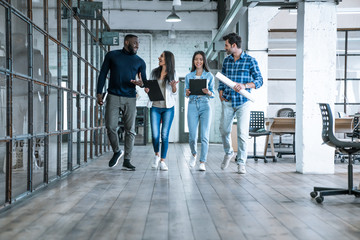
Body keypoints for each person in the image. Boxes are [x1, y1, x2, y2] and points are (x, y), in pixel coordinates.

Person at [96, 34, 147, 170]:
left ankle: (127, 160)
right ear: (126, 42)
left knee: (130, 130)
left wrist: (141, 84)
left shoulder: (140, 62)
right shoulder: (112, 56)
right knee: (110, 126)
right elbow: (102, 74)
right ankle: (117, 151)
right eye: (134, 43)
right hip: (113, 95)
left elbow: (145, 83)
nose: (137, 45)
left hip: (130, 97)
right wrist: (99, 93)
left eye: (138, 43)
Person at [219, 32, 263, 174]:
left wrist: (245, 85)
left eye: (226, 45)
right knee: (224, 130)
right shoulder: (226, 61)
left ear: (234, 45)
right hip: (227, 100)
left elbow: (259, 81)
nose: (225, 48)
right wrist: (220, 91)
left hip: (243, 101)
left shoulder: (250, 61)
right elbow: (222, 78)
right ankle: (229, 152)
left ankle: (241, 162)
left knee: (242, 134)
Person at [145, 51, 178, 171]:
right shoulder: (154, 72)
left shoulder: (173, 73)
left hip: (168, 108)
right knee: (155, 135)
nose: (159, 57)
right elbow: (149, 87)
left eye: (162, 56)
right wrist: (147, 90)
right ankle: (156, 155)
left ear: (168, 59)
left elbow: (175, 92)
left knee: (164, 135)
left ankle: (163, 161)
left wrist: (174, 86)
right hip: (155, 106)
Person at [185, 51, 215, 171]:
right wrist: (186, 93)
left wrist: (209, 92)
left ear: (204, 61)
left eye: (201, 59)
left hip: (205, 105)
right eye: (196, 59)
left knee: (204, 136)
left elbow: (213, 94)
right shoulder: (188, 76)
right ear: (193, 61)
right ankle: (193, 154)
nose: (198, 61)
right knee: (192, 136)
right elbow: (185, 93)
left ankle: (202, 161)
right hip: (192, 104)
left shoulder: (209, 76)